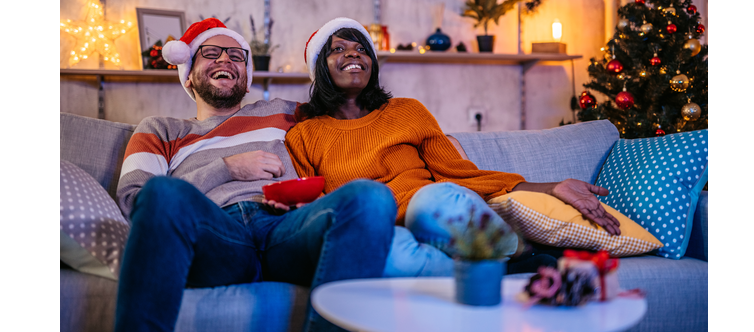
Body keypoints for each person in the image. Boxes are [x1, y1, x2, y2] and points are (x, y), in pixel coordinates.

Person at [114, 18, 397, 332]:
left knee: (371, 198)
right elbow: (135, 199)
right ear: (189, 75)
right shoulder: (161, 129)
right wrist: (227, 167)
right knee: (161, 192)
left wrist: (313, 196)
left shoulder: (288, 112)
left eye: (237, 56)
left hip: (289, 230)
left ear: (247, 78)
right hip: (217, 236)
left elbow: (348, 111)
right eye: (211, 53)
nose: (225, 59)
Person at [285, 17, 622, 277]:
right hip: (381, 229)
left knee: (439, 196)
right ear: (321, 69)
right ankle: (506, 268)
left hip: (431, 212)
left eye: (361, 49)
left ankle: (516, 250)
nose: (352, 54)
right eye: (338, 49)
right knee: (394, 259)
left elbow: (457, 173)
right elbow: (316, 208)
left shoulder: (407, 111)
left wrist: (552, 187)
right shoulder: (305, 135)